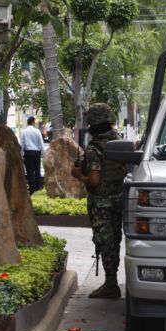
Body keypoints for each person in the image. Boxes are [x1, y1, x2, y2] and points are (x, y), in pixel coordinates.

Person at [70, 103, 126, 299]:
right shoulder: (119, 141)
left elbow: (94, 179)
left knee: (105, 242)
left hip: (101, 203)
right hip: (119, 199)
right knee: (115, 241)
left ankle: (111, 285)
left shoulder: (95, 147)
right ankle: (112, 282)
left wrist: (78, 174)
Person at [20, 116, 46, 195]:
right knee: (37, 172)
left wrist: (21, 155)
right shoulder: (37, 131)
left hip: (28, 154)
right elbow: (41, 144)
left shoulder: (24, 131)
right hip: (36, 154)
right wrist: (43, 154)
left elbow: (22, 145)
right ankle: (38, 188)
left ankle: (32, 190)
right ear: (33, 122)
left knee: (30, 172)